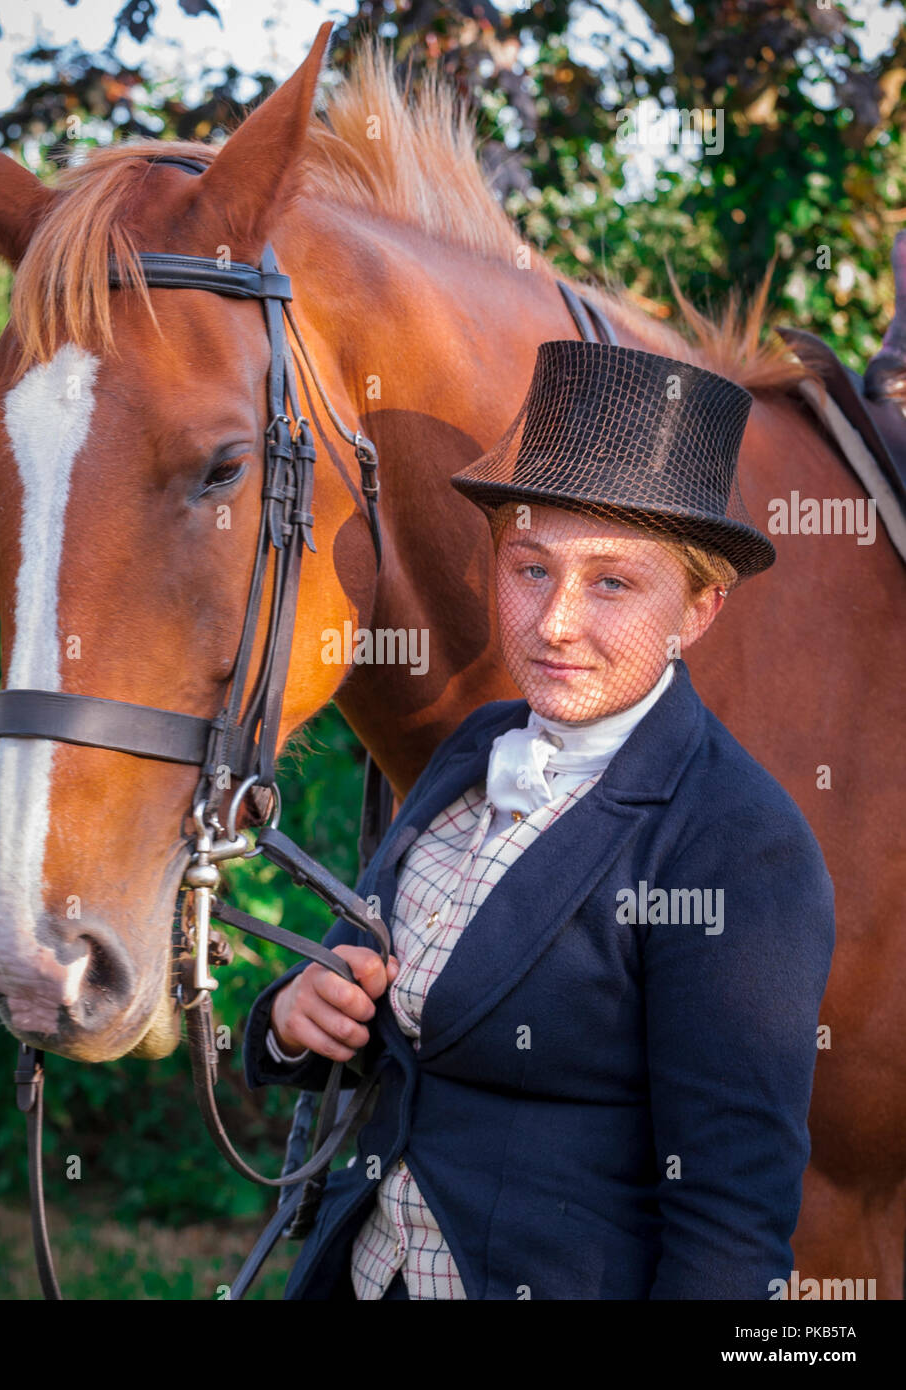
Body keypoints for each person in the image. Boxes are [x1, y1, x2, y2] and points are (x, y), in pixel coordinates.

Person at [242, 340, 835, 1300]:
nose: (556, 622)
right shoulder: (470, 751)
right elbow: (398, 1023)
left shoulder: (736, 846)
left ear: (697, 610)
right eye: (530, 569)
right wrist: (288, 1019)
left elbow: (728, 1225)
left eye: (612, 582)